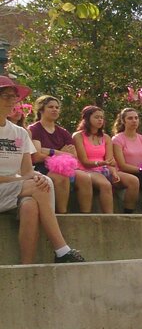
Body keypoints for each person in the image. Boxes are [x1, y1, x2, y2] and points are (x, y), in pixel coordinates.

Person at [0, 76, 85, 264]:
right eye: (6, 96)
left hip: (11, 190)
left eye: (14, 97)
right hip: (6, 187)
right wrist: (26, 181)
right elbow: (21, 179)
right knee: (37, 186)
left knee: (33, 200)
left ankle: (26, 268)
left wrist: (35, 178)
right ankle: (62, 250)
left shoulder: (19, 132)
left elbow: (26, 171)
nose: (12, 101)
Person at [28, 95, 94, 213]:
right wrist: (60, 152)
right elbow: (36, 156)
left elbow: (74, 157)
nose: (55, 110)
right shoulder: (34, 129)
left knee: (85, 178)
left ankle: (86, 215)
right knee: (61, 177)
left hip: (66, 167)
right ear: (41, 110)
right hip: (41, 167)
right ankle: (62, 215)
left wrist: (48, 150)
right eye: (51, 107)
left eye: (57, 107)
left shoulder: (63, 132)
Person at [72, 106, 135, 213]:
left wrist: (114, 172)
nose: (100, 120)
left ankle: (128, 212)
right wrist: (101, 163)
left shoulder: (106, 137)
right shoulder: (78, 136)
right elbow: (84, 161)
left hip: (104, 168)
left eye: (101, 117)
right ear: (87, 119)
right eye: (96, 117)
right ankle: (109, 217)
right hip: (87, 170)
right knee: (105, 185)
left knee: (133, 181)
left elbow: (110, 160)